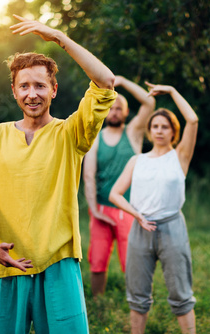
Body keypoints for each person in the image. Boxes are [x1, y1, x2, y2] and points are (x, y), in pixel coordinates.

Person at [0, 14, 116, 333]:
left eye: (40, 85)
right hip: (5, 265)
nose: (33, 94)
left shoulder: (71, 134)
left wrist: (60, 37)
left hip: (58, 265)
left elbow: (105, 81)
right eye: (25, 86)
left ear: (54, 90)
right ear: (15, 91)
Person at [109, 82, 199, 334]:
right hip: (140, 228)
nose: (159, 131)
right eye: (155, 126)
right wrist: (135, 213)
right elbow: (115, 193)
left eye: (165, 127)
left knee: (181, 294)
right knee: (137, 294)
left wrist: (171, 91)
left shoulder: (180, 157)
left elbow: (192, 120)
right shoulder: (137, 161)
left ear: (173, 132)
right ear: (149, 131)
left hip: (172, 228)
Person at [83, 75, 155, 297]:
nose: (114, 112)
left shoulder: (133, 133)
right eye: (111, 107)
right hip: (101, 209)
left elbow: (149, 102)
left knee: (131, 260)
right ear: (105, 111)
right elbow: (88, 176)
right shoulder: (95, 138)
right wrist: (95, 210)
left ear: (125, 112)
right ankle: (98, 302)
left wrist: (122, 83)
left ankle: (136, 300)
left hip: (129, 209)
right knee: (97, 261)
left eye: (119, 108)